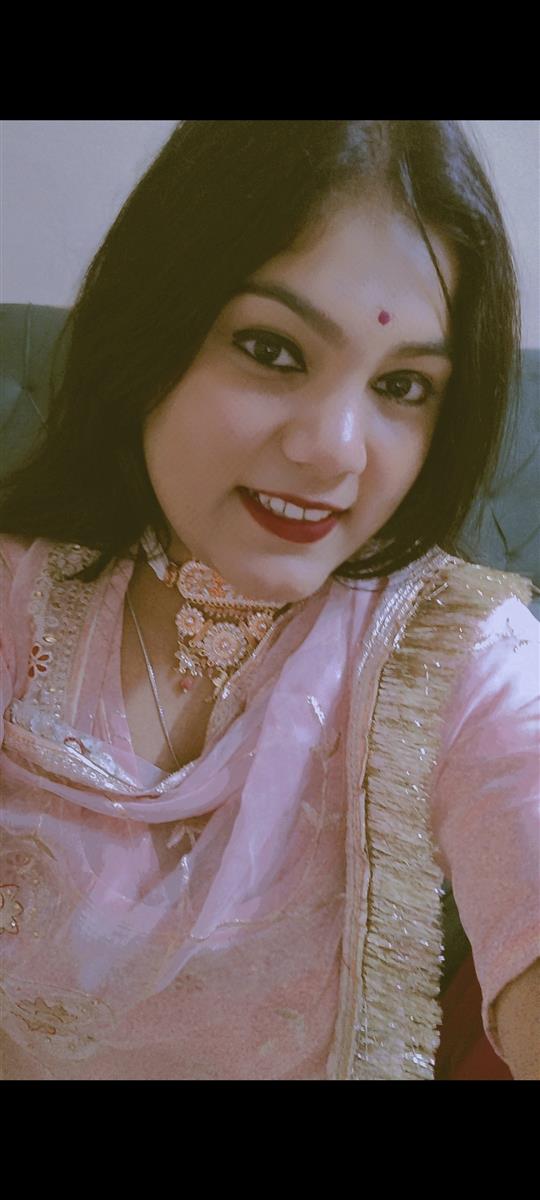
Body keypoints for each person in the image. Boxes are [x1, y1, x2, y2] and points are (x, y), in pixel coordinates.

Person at [0, 120, 538, 1081]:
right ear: (149, 333)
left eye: (404, 385)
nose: (335, 449)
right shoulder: (20, 598)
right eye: (272, 349)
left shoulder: (454, 650)